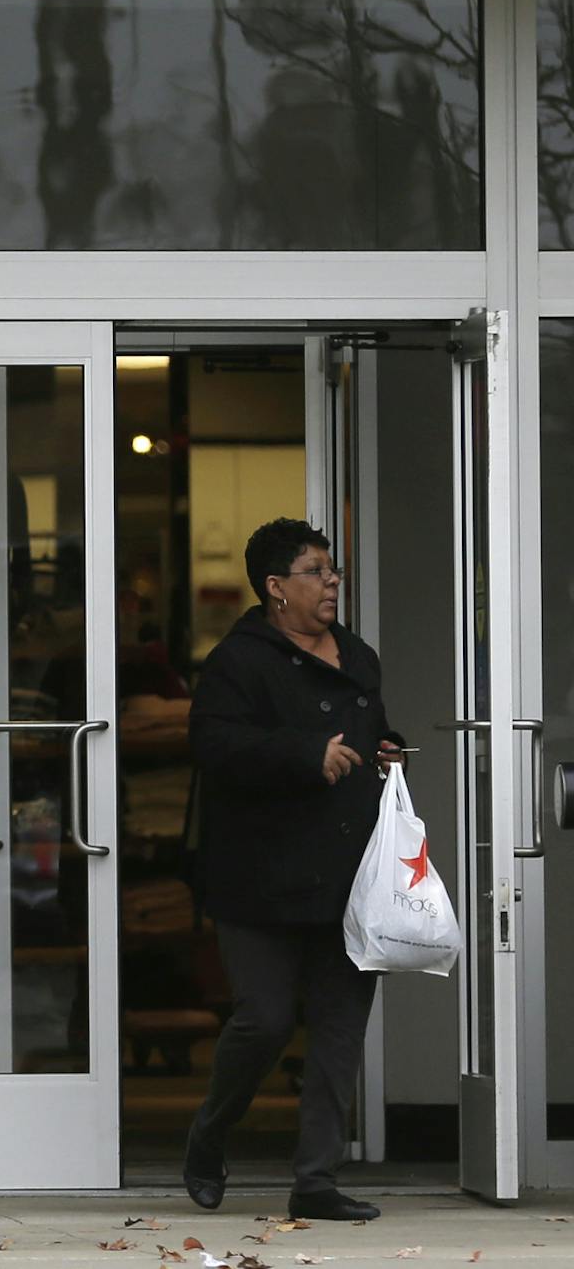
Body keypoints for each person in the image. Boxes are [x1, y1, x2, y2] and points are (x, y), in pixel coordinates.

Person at [182, 517, 405, 1224]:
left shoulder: (358, 656)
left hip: (349, 872)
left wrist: (385, 749)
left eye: (332, 570)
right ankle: (209, 1136)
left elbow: (370, 730)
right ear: (277, 588)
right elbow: (216, 749)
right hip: (261, 875)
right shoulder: (238, 662)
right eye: (316, 570)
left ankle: (316, 1180)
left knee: (339, 1030)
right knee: (266, 1020)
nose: (332, 580)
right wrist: (304, 755)